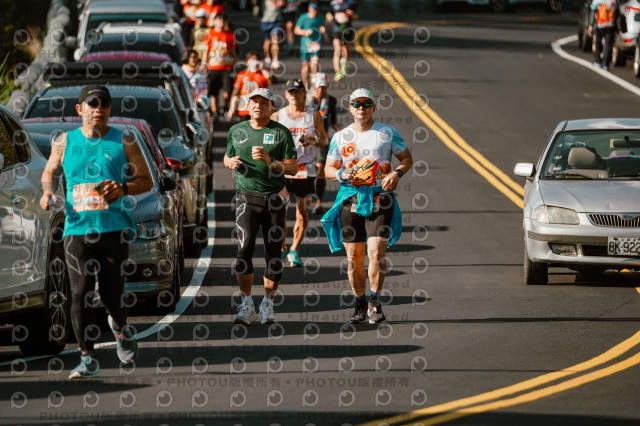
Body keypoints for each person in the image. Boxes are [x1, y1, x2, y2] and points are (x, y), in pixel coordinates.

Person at [39, 85, 153, 378]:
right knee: (79, 293)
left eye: (104, 104)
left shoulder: (125, 140)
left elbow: (146, 181)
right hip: (76, 229)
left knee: (112, 296)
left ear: (109, 109)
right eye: (92, 103)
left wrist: (123, 188)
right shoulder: (65, 141)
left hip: (113, 229)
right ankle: (87, 357)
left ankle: (121, 327)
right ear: (80, 109)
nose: (98, 109)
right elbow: (49, 171)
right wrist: (47, 192)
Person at [321, 89, 413, 324]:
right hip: (351, 197)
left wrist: (396, 173)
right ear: (350, 108)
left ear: (374, 107)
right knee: (354, 257)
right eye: (356, 104)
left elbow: (406, 158)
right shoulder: (341, 136)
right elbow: (328, 168)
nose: (361, 108)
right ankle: (359, 302)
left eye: (366, 104)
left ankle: (374, 302)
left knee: (377, 252)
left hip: (380, 196)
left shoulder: (386, 132)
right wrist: (342, 173)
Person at [223, 88, 298, 324]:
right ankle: (247, 304)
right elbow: (227, 156)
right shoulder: (237, 130)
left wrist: (270, 161)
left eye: (263, 103)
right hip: (247, 198)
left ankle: (267, 303)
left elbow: (293, 168)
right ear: (247, 106)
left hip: (274, 199)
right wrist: (229, 162)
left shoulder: (280, 132)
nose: (258, 106)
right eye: (254, 102)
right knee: (243, 249)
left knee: (273, 253)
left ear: (271, 108)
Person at [271, 79, 327, 267]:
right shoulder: (277, 116)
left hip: (305, 170)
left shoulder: (313, 115)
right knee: (280, 212)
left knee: (302, 212)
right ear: (286, 95)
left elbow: (324, 140)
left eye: (298, 92)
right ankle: (281, 248)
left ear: (304, 94)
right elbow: (268, 140)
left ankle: (294, 250)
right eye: (291, 92)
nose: (294, 95)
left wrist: (313, 139)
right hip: (284, 170)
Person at [308, 72, 340, 215]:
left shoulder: (331, 100)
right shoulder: (305, 100)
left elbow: (333, 120)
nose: (320, 90)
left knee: (320, 169)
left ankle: (318, 201)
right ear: (313, 86)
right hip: (306, 140)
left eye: (323, 87)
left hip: (322, 140)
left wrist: (340, 131)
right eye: (318, 87)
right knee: (307, 170)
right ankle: (305, 198)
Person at [205, 13, 238, 117]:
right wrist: (204, 63)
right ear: (214, 21)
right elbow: (206, 49)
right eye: (219, 19)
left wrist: (235, 63)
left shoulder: (229, 35)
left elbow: (233, 51)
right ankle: (214, 110)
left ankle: (225, 107)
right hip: (213, 66)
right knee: (213, 90)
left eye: (223, 20)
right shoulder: (210, 33)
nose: (221, 22)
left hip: (226, 67)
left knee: (227, 90)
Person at [227, 51, 271, 121]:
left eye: (256, 59)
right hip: (245, 107)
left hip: (259, 108)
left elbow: (271, 80)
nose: (255, 61)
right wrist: (231, 108)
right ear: (247, 62)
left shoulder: (263, 74)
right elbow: (235, 92)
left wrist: (262, 68)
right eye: (252, 59)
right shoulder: (242, 74)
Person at [294, 2, 326, 89]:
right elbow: (296, 30)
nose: (314, 12)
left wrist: (324, 31)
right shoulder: (303, 18)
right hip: (306, 45)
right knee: (306, 66)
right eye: (313, 10)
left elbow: (322, 26)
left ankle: (313, 85)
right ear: (309, 9)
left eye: (316, 10)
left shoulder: (320, 17)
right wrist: (305, 32)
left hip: (316, 44)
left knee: (315, 64)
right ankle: (305, 85)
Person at [326, 0, 356, 82]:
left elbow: (355, 15)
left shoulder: (350, 3)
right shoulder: (333, 3)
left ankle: (345, 63)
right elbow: (329, 14)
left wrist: (351, 13)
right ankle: (338, 72)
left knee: (346, 50)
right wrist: (329, 17)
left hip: (347, 29)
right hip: (337, 30)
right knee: (338, 50)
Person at [588, 0, 620, 71]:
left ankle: (597, 62)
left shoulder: (597, 1)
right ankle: (606, 64)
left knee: (598, 44)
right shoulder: (614, 1)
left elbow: (593, 13)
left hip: (599, 25)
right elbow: (617, 12)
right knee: (608, 45)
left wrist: (590, 25)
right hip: (610, 25)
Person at [261, 0, 286, 70]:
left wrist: (282, 3)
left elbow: (282, 3)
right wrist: (278, 3)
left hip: (277, 21)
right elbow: (274, 4)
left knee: (275, 41)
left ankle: (275, 60)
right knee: (267, 42)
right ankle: (267, 58)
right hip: (266, 21)